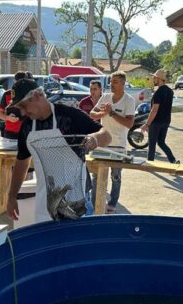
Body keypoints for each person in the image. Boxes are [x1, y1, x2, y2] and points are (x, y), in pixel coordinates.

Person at [6, 79, 112, 224]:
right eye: (20, 108)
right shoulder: (27, 127)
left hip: (77, 203)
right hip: (45, 205)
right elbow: (21, 162)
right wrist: (12, 196)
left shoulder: (69, 116)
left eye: (23, 106)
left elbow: (107, 135)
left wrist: (95, 138)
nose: (22, 112)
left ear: (37, 96)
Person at [90, 71, 135, 213]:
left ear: (123, 83)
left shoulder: (129, 100)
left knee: (115, 177)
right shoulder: (105, 97)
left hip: (118, 145)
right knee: (96, 176)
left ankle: (112, 204)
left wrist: (111, 113)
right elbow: (92, 114)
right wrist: (103, 113)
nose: (112, 85)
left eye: (115, 82)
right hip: (102, 143)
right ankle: (94, 204)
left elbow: (129, 124)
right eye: (111, 81)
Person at [142, 69, 178, 164]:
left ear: (159, 79)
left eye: (154, 77)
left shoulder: (158, 93)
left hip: (156, 121)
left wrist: (147, 124)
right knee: (161, 142)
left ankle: (150, 163)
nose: (153, 79)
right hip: (166, 121)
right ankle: (173, 160)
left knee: (152, 143)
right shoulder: (170, 91)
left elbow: (154, 109)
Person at [0, 71, 27, 139]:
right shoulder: (7, 94)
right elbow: (0, 113)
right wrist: (8, 118)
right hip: (10, 132)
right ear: (14, 81)